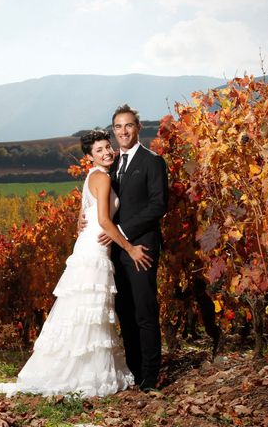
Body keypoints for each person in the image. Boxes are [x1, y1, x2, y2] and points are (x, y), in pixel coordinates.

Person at [0, 129, 152, 398]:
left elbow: (83, 216)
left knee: (83, 310)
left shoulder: (93, 176)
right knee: (89, 311)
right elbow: (103, 221)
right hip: (96, 248)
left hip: (88, 244)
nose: (106, 152)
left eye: (107, 147)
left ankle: (80, 369)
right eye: (99, 150)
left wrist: (85, 223)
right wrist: (129, 248)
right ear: (89, 156)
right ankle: (84, 374)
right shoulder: (101, 177)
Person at [101, 104, 169, 392]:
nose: (123, 131)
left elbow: (158, 205)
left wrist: (124, 232)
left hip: (141, 248)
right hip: (117, 250)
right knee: (125, 313)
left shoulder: (153, 161)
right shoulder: (112, 164)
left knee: (144, 311)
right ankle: (135, 370)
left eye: (128, 125)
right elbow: (105, 204)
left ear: (138, 128)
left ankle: (151, 376)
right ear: (113, 130)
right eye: (118, 126)